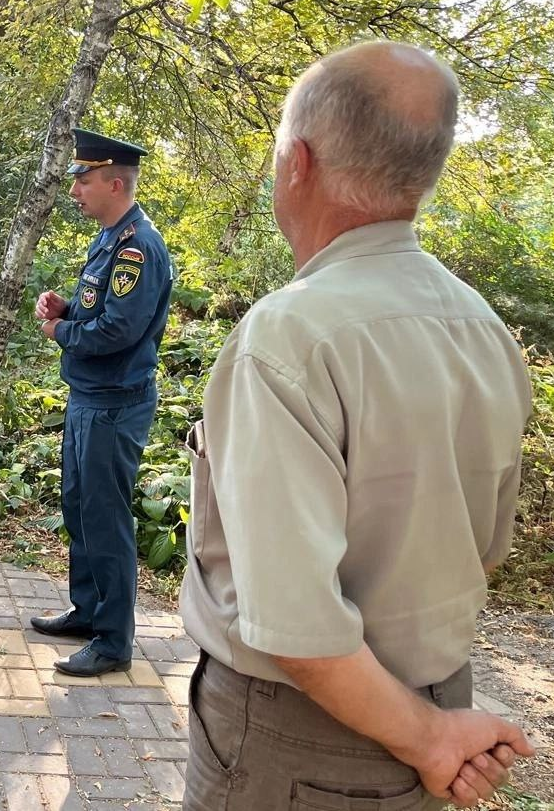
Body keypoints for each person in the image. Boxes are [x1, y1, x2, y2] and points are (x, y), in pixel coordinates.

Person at [180, 42, 535, 810]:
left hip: (299, 739)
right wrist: (431, 730)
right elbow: (485, 549)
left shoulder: (287, 338)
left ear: (296, 162)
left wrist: (429, 738)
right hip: (427, 708)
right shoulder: (483, 330)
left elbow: (295, 626)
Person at [31, 128, 173, 677]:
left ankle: (113, 642)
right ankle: (88, 612)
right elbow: (102, 310)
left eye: (84, 181)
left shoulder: (139, 246)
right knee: (79, 506)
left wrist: (61, 331)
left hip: (115, 402)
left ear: (116, 183)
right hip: (89, 396)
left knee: (106, 517)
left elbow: (119, 331)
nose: (75, 191)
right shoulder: (110, 238)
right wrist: (68, 306)